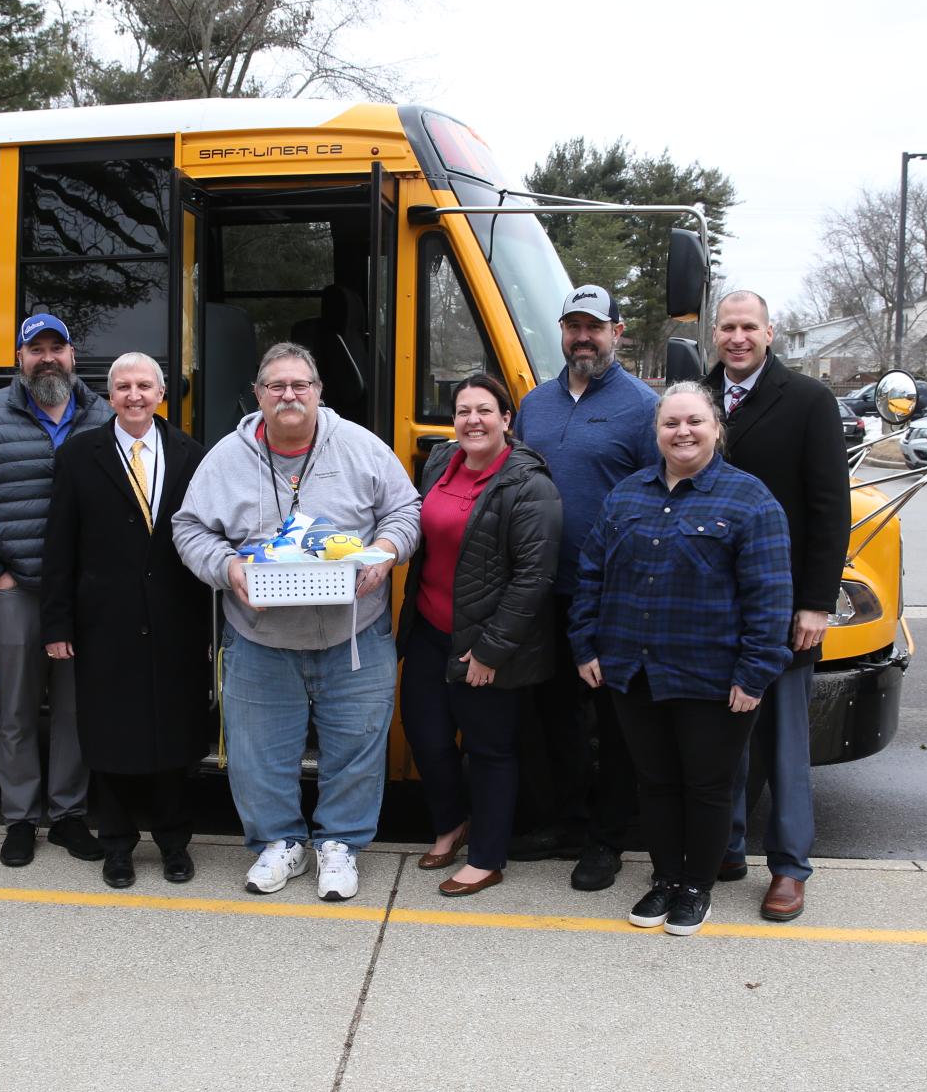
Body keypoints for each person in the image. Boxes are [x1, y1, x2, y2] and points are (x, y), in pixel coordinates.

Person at [172, 342, 420, 901]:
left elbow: (407, 509)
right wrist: (228, 567)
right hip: (259, 636)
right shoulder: (225, 459)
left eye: (300, 385)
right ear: (258, 395)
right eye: (276, 386)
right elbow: (188, 529)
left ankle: (339, 846)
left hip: (354, 633)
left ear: (318, 393)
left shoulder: (361, 447)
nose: (289, 395)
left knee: (356, 747)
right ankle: (278, 843)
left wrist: (383, 552)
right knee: (257, 751)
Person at [570, 382, 793, 936]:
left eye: (694, 421)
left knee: (708, 786)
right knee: (657, 783)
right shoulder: (626, 495)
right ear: (656, 432)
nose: (683, 432)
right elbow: (591, 575)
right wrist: (586, 644)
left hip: (714, 678)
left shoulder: (750, 500)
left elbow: (770, 596)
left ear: (716, 427)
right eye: (671, 423)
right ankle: (665, 880)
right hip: (634, 670)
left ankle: (697, 887)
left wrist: (755, 672)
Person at [704, 290, 849, 922]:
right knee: (721, 737)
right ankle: (728, 846)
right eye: (728, 327)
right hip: (710, 605)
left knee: (784, 740)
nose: (737, 337)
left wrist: (815, 602)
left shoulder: (810, 401)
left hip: (781, 600)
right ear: (715, 333)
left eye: (748, 327)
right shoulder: (696, 397)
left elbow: (829, 508)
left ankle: (789, 866)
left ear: (769, 332)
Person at [41, 354, 211, 889]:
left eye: (143, 385)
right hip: (103, 621)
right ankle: (117, 845)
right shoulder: (77, 455)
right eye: (122, 387)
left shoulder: (192, 454)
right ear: (108, 395)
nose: (133, 395)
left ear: (162, 393)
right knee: (109, 734)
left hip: (175, 620)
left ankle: (173, 842)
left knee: (174, 734)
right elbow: (58, 547)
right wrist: (57, 625)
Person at [509, 283, 658, 892]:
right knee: (554, 718)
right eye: (573, 325)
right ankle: (566, 822)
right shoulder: (534, 405)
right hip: (541, 589)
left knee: (613, 720)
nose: (582, 337)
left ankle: (607, 839)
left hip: (608, 595)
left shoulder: (643, 407)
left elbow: (658, 497)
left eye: (594, 326)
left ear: (617, 333)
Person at [0, 313, 115, 868]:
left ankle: (69, 815)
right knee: (17, 710)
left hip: (83, 592)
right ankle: (19, 819)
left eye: (57, 347)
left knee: (76, 709)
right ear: (19, 359)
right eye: (35, 348)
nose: (47, 357)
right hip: (17, 587)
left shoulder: (105, 414)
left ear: (73, 355)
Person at [397, 373, 561, 897]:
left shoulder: (528, 484)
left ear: (506, 420)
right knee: (425, 735)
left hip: (486, 642)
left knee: (490, 750)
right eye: (463, 411)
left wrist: (490, 649)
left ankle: (487, 857)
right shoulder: (444, 462)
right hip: (429, 628)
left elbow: (534, 577)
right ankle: (451, 823)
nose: (473, 420)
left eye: (485, 410)